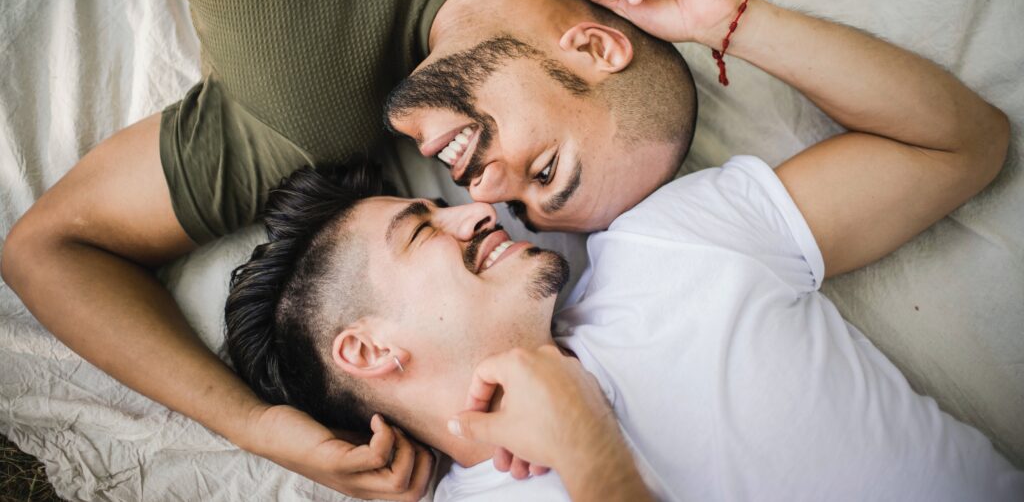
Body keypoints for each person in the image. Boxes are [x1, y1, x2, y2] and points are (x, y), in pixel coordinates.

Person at [1, 0, 677, 497]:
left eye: (518, 205)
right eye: (546, 171)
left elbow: (51, 249)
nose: (484, 197)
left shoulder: (306, 112)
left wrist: (257, 426)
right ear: (591, 47)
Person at [223, 152, 1021, 500]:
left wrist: (731, 20)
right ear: (368, 349)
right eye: (422, 229)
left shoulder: (667, 243)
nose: (475, 211)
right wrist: (583, 443)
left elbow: (966, 146)